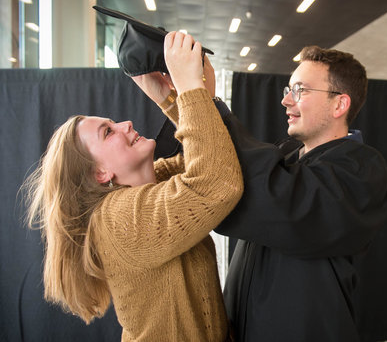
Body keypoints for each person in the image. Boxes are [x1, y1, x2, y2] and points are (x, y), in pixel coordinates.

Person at [23, 32, 243, 342]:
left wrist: (169, 97)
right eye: (108, 132)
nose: (125, 124)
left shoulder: (155, 183)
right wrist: (190, 90)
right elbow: (218, 183)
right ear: (100, 173)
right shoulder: (117, 219)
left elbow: (215, 155)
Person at [211, 46, 387, 341]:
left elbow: (285, 205)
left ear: (339, 105)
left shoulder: (362, 170)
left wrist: (209, 105)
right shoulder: (288, 159)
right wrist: (176, 102)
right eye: (288, 89)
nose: (285, 101)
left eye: (300, 90)